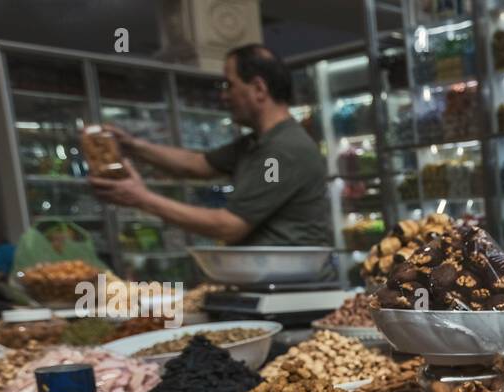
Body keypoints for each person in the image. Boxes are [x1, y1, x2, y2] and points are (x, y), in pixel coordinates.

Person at [89, 44, 329, 247]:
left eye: (229, 85)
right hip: (266, 282)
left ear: (258, 88)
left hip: (291, 289)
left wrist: (141, 199)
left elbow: (229, 226)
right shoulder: (255, 142)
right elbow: (196, 165)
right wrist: (131, 146)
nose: (224, 96)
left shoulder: (282, 150)